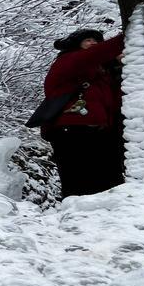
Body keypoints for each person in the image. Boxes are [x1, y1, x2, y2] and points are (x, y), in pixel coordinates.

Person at [42, 27, 124, 198]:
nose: (93, 43)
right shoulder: (68, 60)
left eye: (96, 41)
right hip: (72, 130)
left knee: (108, 182)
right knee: (78, 181)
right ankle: (77, 217)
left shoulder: (103, 74)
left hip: (100, 130)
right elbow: (92, 56)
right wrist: (126, 36)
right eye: (87, 40)